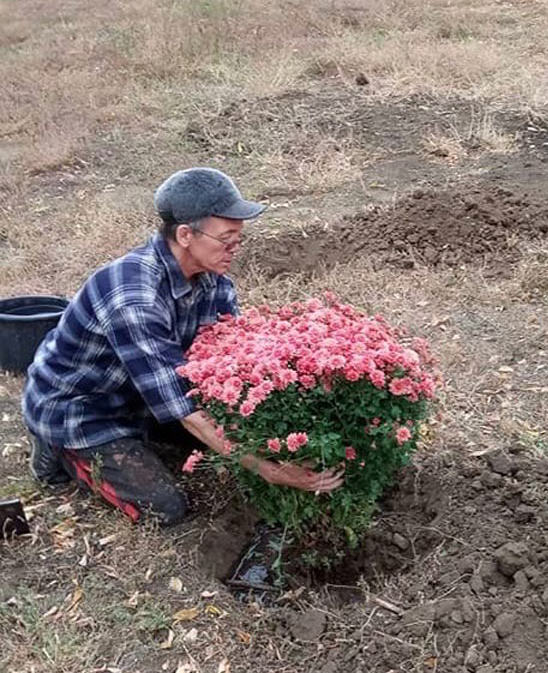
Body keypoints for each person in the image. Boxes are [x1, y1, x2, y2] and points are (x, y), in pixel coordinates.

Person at [23, 168, 343, 525]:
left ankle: (142, 439)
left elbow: (229, 368)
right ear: (186, 234)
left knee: (224, 451)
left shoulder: (215, 283)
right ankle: (58, 452)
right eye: (226, 239)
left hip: (144, 397)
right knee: (164, 509)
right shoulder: (134, 298)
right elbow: (186, 408)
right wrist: (269, 470)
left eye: (239, 238)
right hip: (83, 410)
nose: (235, 249)